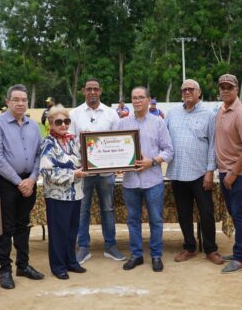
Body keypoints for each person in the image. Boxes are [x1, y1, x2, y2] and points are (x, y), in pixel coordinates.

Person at [0, 84, 44, 289]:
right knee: (5, 228)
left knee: (23, 224)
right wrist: (19, 182)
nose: (21, 103)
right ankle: (5, 270)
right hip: (7, 183)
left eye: (24, 100)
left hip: (29, 182)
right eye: (16, 99)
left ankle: (23, 264)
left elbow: (39, 154)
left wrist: (32, 178)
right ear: (7, 102)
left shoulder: (34, 125)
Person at [165, 79, 222, 265]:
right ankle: (189, 247)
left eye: (191, 89)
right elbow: (162, 138)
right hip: (178, 173)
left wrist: (209, 171)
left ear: (199, 92)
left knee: (206, 212)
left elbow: (213, 144)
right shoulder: (172, 114)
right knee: (183, 213)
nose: (187, 92)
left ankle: (210, 249)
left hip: (200, 174)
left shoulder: (208, 115)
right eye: (184, 90)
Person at [118, 86, 173, 272]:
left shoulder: (158, 122)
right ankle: (136, 255)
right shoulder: (123, 123)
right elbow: (118, 150)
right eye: (134, 97)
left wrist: (153, 161)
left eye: (141, 97)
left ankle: (156, 256)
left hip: (153, 180)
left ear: (149, 100)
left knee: (156, 219)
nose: (137, 101)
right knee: (133, 219)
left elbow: (169, 151)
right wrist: (117, 164)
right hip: (130, 181)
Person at [70, 78, 125, 263]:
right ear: (83, 91)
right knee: (82, 210)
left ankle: (110, 245)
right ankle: (83, 247)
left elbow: (118, 140)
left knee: (108, 209)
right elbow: (70, 142)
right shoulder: (75, 114)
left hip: (105, 173)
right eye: (89, 89)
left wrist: (118, 163)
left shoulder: (111, 114)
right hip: (83, 172)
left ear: (100, 91)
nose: (92, 92)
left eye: (95, 89)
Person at [40, 105, 88, 279]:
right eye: (58, 122)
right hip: (57, 195)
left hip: (76, 193)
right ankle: (58, 266)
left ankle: (71, 261)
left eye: (66, 121)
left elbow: (87, 158)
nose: (63, 125)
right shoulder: (48, 143)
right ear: (51, 124)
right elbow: (47, 171)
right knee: (58, 232)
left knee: (71, 230)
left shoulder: (73, 140)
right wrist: (73, 173)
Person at [214, 74, 242, 274]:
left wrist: (233, 172)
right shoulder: (222, 111)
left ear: (237, 89)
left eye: (229, 87)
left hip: (237, 173)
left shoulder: (241, 113)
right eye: (222, 87)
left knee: (238, 215)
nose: (225, 90)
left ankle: (240, 258)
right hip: (227, 172)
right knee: (235, 213)